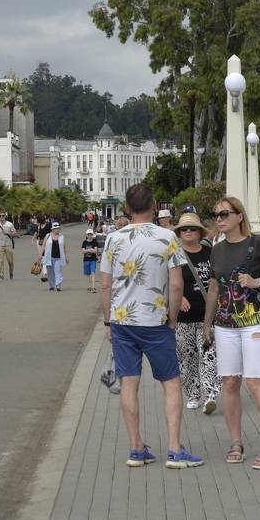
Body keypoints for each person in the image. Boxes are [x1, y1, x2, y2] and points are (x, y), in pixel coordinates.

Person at [99, 184, 203, 470]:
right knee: (171, 383)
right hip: (156, 322)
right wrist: (172, 318)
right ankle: (174, 449)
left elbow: (105, 285)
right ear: (154, 206)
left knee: (129, 383)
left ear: (127, 208)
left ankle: (136, 449)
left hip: (122, 322)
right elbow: (177, 284)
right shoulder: (167, 237)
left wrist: (108, 321)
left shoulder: (113, 239)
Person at [204, 195, 260, 470]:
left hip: (254, 323)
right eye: (216, 215)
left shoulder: (258, 243)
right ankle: (236, 443)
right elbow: (214, 289)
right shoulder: (217, 249)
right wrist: (207, 324)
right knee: (230, 383)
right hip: (224, 325)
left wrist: (257, 281)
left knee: (255, 382)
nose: (219, 219)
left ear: (239, 216)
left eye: (224, 214)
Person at [174, 211, 219, 415]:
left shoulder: (211, 253)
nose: (188, 232)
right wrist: (178, 298)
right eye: (184, 229)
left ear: (200, 232)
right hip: (184, 318)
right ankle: (193, 394)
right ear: (179, 233)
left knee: (209, 355)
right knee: (188, 357)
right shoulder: (174, 255)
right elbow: (165, 282)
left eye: (193, 228)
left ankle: (210, 395)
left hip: (207, 316)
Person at [0, 212, 16, 281]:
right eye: (0, 216)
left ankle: (11, 272)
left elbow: (15, 233)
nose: (1, 217)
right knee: (0, 261)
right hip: (0, 245)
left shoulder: (10, 224)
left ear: (5, 216)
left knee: (10, 261)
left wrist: (8, 233)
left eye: (3, 215)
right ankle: (1, 275)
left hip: (8, 245)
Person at [43, 221, 66, 291]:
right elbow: (43, 245)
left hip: (58, 257)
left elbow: (64, 247)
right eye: (56, 229)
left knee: (58, 271)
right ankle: (52, 285)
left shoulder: (62, 237)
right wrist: (40, 255)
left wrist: (66, 256)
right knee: (50, 272)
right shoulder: (48, 236)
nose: (57, 230)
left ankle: (58, 285)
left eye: (58, 228)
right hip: (49, 257)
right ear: (52, 229)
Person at [81, 226, 101, 292]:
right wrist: (90, 250)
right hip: (86, 260)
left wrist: (87, 250)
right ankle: (89, 286)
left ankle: (93, 287)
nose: (90, 236)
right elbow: (83, 251)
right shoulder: (84, 242)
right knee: (87, 274)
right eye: (88, 235)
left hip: (93, 259)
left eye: (91, 235)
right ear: (86, 235)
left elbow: (95, 251)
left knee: (93, 272)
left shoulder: (94, 242)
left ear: (93, 235)